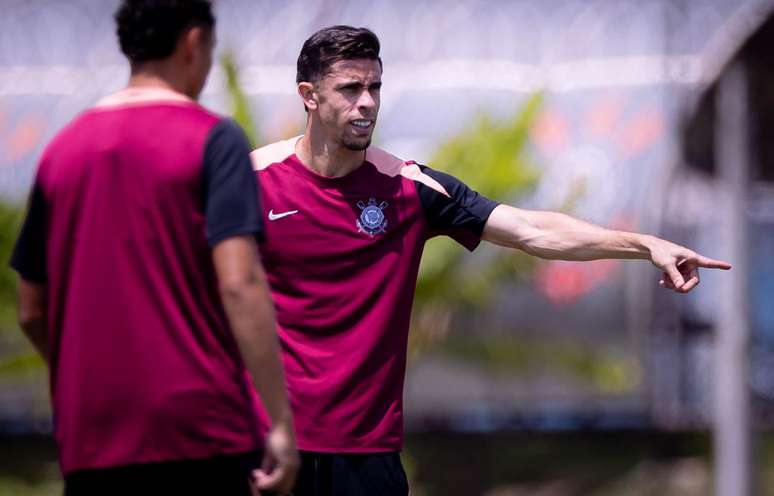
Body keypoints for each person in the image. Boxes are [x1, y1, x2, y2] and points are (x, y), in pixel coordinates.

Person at [250, 25, 732, 495]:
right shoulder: (250, 181)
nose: (368, 103)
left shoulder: (411, 187)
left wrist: (644, 244)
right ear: (309, 95)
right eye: (351, 89)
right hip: (265, 444)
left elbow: (531, 229)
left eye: (375, 86)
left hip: (365, 455)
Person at [10, 1, 298, 494]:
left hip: (93, 438)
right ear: (193, 43)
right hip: (202, 432)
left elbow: (31, 310)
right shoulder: (213, 139)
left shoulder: (61, 150)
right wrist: (280, 423)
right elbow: (240, 283)